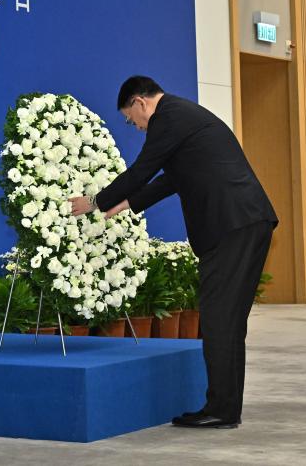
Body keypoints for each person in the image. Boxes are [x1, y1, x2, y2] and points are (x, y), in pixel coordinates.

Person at [68, 76, 277, 429]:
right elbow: (172, 179)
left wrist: (93, 202)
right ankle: (226, 408)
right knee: (227, 320)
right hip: (246, 221)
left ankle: (221, 409)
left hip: (232, 225)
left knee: (218, 318)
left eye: (131, 119)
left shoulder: (168, 117)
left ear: (139, 102)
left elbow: (142, 170)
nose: (136, 127)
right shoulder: (183, 117)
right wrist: (125, 204)